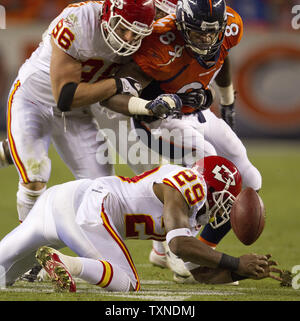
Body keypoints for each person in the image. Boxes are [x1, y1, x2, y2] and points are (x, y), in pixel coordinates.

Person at [105, 0, 263, 281]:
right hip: (159, 121)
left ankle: (199, 251)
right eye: (198, 33)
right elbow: (118, 91)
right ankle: (178, 248)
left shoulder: (229, 27)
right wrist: (156, 103)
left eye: (212, 33)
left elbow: (222, 56)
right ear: (180, 27)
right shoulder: (158, 41)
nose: (206, 39)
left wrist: (225, 102)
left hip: (198, 114)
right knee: (210, 165)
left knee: (250, 178)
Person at [3, 0, 181, 224]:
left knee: (100, 193)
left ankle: (10, 149)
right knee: (34, 175)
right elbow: (65, 96)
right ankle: (25, 255)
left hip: (78, 115)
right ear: (108, 14)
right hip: (34, 100)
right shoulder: (78, 22)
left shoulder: (146, 38)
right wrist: (117, 84)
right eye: (122, 28)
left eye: (136, 33)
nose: (128, 39)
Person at [0, 155, 282, 292]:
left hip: (61, 200)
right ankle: (65, 263)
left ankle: (57, 262)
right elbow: (178, 245)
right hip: (88, 209)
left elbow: (201, 274)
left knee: (3, 275)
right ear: (213, 188)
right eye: (224, 200)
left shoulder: (190, 212)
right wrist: (235, 262)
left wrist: (246, 272)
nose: (222, 211)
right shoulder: (191, 184)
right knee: (127, 282)